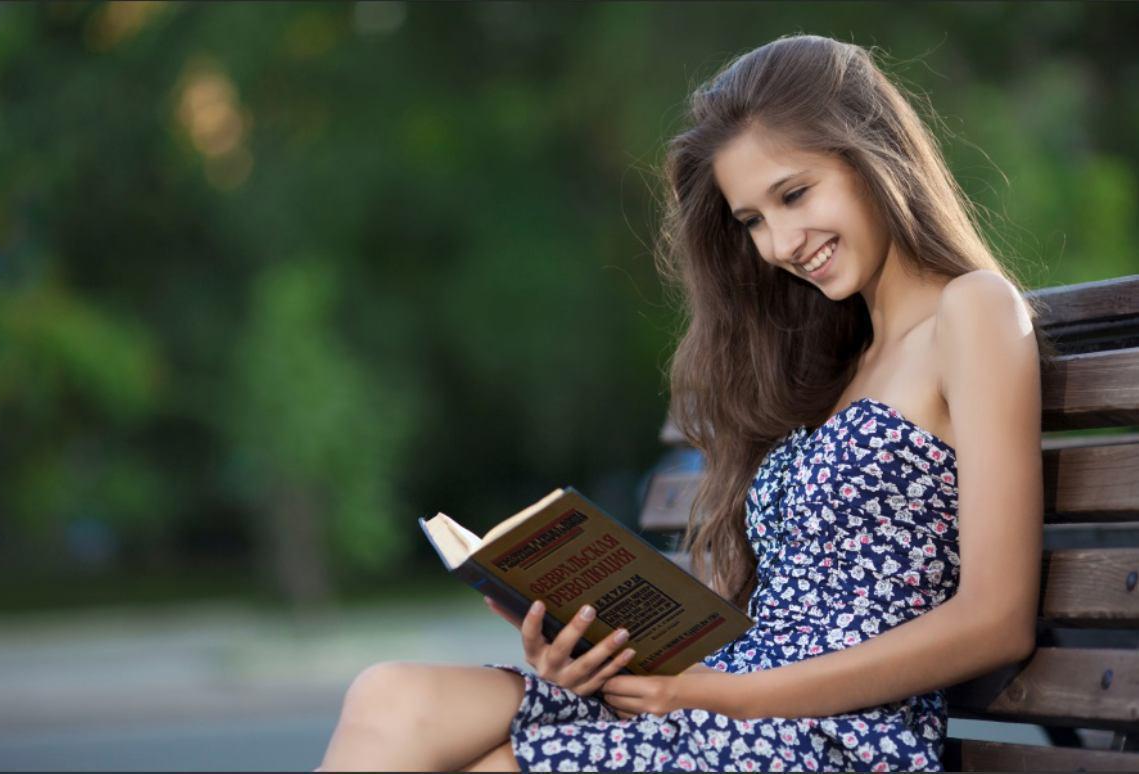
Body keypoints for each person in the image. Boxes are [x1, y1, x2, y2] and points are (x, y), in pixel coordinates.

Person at [317, 33, 1050, 773]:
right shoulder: (834, 362)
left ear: (872, 156)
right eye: (752, 220)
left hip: (827, 734)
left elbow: (995, 621)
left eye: (793, 194)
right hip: (726, 703)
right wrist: (589, 651)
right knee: (389, 697)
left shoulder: (972, 312)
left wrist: (728, 696)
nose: (780, 244)